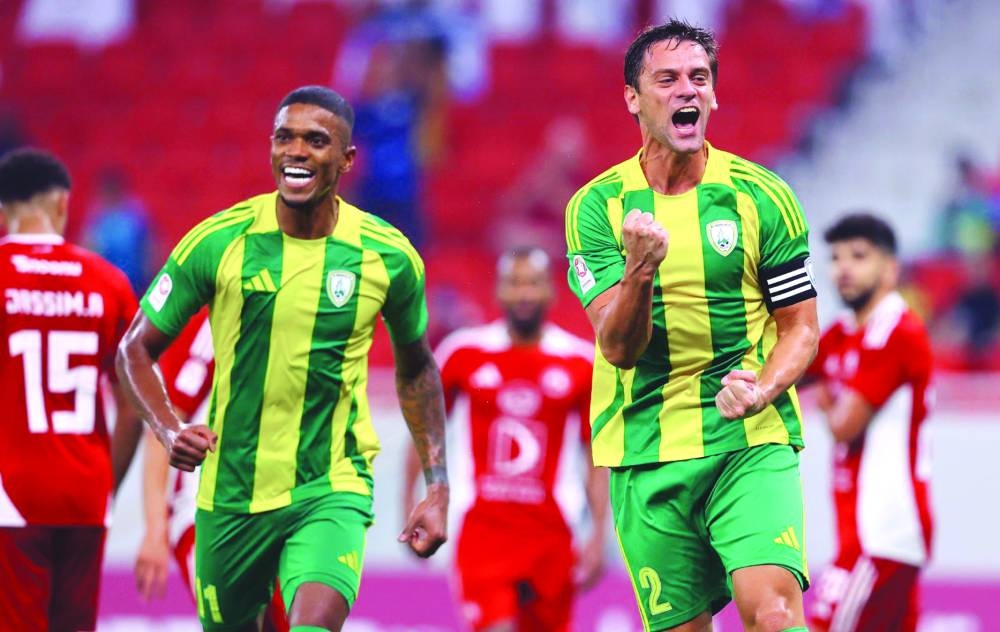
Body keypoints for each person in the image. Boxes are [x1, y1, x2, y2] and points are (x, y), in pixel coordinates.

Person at [116, 85, 450, 632]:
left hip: (331, 484)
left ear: (346, 160)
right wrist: (168, 426)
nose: (296, 151)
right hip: (230, 496)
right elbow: (134, 349)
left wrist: (437, 486)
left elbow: (417, 370)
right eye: (284, 137)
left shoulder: (388, 256)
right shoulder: (219, 242)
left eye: (316, 141)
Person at [564, 20, 820, 632]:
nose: (688, 91)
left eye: (699, 78)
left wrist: (762, 388)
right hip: (645, 446)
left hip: (748, 438)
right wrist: (640, 272)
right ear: (633, 97)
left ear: (714, 95)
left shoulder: (762, 196)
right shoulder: (597, 208)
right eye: (668, 79)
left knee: (776, 613)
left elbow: (801, 329)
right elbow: (620, 350)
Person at [404, 246, 609, 631]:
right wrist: (411, 504)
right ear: (499, 290)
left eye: (532, 283)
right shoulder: (464, 353)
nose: (524, 293)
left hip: (552, 534)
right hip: (483, 532)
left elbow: (595, 454)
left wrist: (599, 533)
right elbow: (424, 430)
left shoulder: (580, 362)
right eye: (515, 283)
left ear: (551, 290)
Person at [0, 148, 144, 631]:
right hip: (85, 491)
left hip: (12, 492)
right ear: (62, 203)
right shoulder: (109, 282)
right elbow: (134, 401)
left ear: (3, 210)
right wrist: (108, 486)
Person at [803, 214, 934, 632]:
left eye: (859, 256)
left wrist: (825, 400)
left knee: (826, 623)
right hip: (865, 531)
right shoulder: (842, 332)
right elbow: (784, 369)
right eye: (836, 256)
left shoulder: (896, 331)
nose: (843, 267)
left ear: (890, 269)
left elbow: (845, 426)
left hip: (882, 530)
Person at [133, 308, 290, 630]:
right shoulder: (219, 320)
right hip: (204, 510)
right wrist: (154, 529)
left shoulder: (306, 315)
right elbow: (164, 430)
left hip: (278, 509)